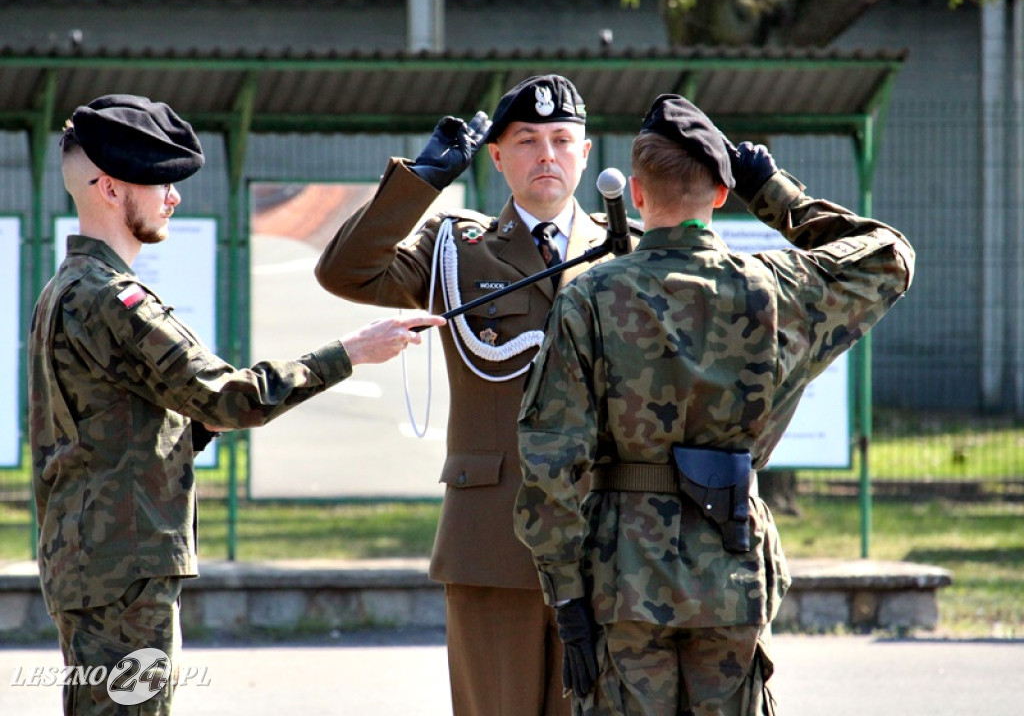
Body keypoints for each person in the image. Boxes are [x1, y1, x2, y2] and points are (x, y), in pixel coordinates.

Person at [28, 93, 444, 715]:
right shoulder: (115, 299)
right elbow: (230, 398)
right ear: (110, 189)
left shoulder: (66, 288)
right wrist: (351, 352)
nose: (173, 197)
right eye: (160, 182)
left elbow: (114, 424)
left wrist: (194, 427)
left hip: (94, 559)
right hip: (123, 568)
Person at [513, 94, 916, 715]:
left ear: (636, 194)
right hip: (731, 568)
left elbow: (550, 461)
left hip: (623, 574)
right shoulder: (774, 288)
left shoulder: (590, 297)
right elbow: (888, 257)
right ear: (722, 194)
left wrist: (567, 597)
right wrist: (772, 191)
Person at [315, 74, 620, 715]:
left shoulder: (625, 251)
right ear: (497, 157)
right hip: (491, 540)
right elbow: (345, 271)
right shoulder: (456, 248)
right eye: (527, 140)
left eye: (562, 140)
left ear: (586, 154)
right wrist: (421, 182)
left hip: (604, 537)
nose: (546, 155)